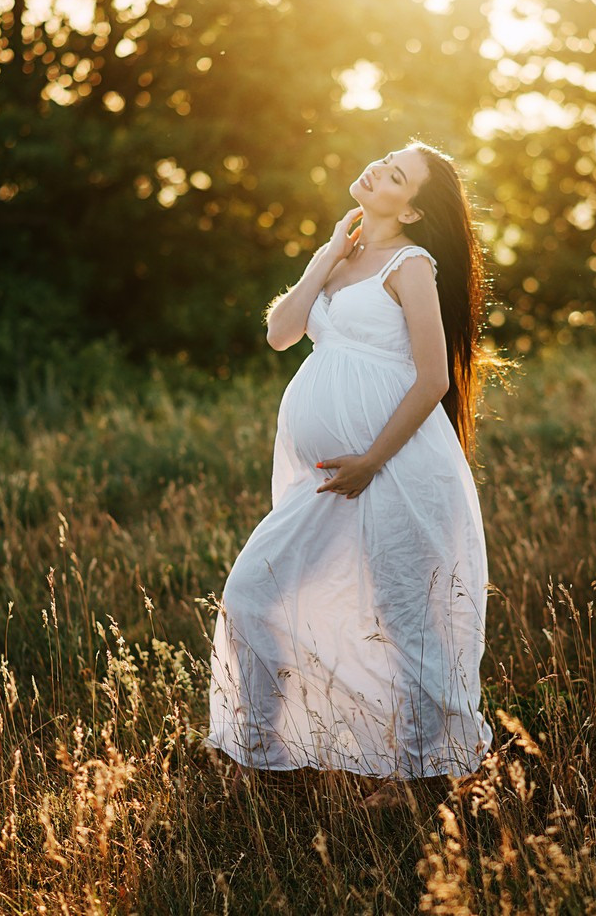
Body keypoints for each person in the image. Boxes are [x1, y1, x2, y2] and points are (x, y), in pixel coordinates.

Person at [204, 139, 501, 809]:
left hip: (395, 466)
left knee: (405, 616)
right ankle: (260, 753)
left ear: (414, 209)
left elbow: (431, 378)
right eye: (385, 159)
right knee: (255, 594)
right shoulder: (341, 257)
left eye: (396, 175)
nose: (377, 168)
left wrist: (371, 459)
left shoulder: (410, 264)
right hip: (325, 476)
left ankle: (422, 774)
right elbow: (282, 332)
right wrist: (326, 255)